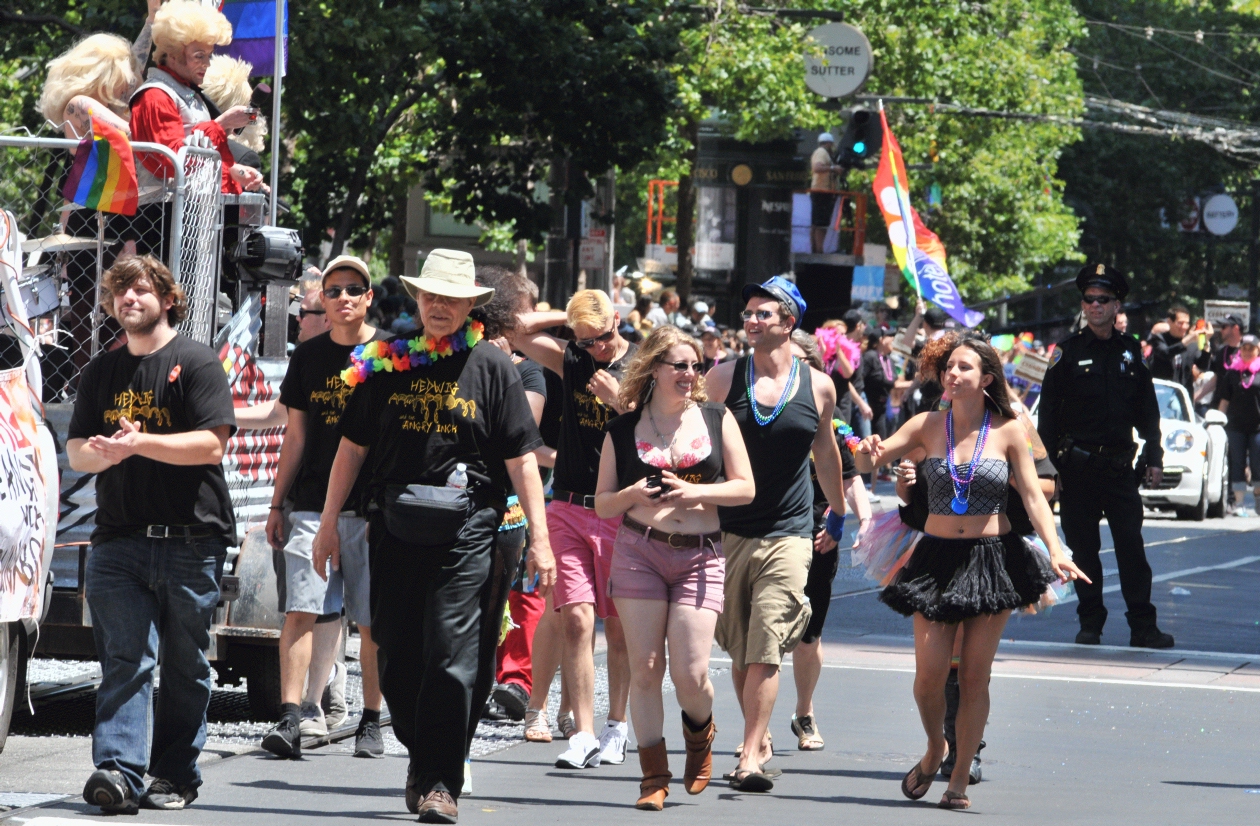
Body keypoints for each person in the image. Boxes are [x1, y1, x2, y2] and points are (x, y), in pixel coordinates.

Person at [312, 249, 555, 824]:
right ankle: (425, 763)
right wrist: (327, 523)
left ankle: (441, 782)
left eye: (452, 298)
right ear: (417, 300)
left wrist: (541, 540)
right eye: (430, 296)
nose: (440, 306)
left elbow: (522, 459)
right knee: (395, 653)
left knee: (452, 656)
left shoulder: (492, 366)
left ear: (470, 305)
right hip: (393, 525)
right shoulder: (385, 358)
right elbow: (352, 448)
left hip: (469, 527)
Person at [855, 334, 1087, 810]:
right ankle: (936, 747)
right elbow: (865, 460)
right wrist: (869, 447)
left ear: (986, 380)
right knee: (928, 677)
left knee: (975, 677)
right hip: (935, 558)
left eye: (964, 368)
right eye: (949, 368)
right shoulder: (925, 424)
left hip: (992, 557)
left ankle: (958, 778)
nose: (952, 374)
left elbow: (1032, 495)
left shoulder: (1008, 430)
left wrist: (1056, 548)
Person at [67, 255, 236, 812]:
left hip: (191, 539)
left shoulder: (196, 361)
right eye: (119, 292)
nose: (128, 300)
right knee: (126, 659)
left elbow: (212, 444)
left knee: (186, 665)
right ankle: (118, 772)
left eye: (140, 290)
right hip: (118, 540)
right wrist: (102, 452)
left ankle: (175, 773)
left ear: (167, 299)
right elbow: (76, 453)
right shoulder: (101, 371)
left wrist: (140, 444)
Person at [595, 326, 756, 809]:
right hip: (638, 551)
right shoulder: (623, 429)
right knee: (645, 668)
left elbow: (745, 488)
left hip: (700, 553)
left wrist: (697, 492)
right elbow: (603, 504)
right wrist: (629, 495)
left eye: (694, 366)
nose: (689, 375)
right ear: (653, 369)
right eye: (679, 366)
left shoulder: (714, 417)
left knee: (690, 673)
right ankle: (653, 777)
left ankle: (700, 730)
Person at [703, 276, 847, 793]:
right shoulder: (722, 379)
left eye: (762, 314)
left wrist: (837, 511)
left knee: (766, 642)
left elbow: (825, 452)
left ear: (789, 322)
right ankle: (756, 738)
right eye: (747, 314)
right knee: (741, 648)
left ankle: (748, 755)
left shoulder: (819, 385)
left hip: (790, 530)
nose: (751, 321)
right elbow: (695, 448)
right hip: (730, 531)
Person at [257, 255, 386, 760]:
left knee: (370, 620)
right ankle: (291, 716)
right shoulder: (308, 358)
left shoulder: (389, 353)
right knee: (301, 609)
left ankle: (371, 721)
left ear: (369, 297)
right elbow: (295, 436)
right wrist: (275, 504)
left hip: (370, 508)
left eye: (354, 289)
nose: (344, 298)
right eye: (334, 291)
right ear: (322, 302)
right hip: (310, 503)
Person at [512, 290, 636, 769]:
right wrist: (571, 318)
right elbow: (516, 326)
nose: (597, 349)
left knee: (621, 630)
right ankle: (582, 732)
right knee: (577, 620)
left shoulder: (644, 366)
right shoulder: (574, 357)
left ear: (618, 322)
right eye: (586, 341)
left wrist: (620, 402)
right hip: (567, 505)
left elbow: (665, 430)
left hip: (620, 510)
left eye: (603, 337)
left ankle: (616, 725)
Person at [1037, 264, 1174, 649]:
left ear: (1117, 306)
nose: (1094, 306)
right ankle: (1091, 624)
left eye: (1103, 300)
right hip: (1077, 468)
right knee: (1084, 552)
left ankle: (1143, 627)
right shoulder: (1066, 352)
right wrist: (1048, 469)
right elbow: (1047, 415)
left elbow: (1147, 409)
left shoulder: (1131, 350)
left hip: (1119, 468)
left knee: (1132, 549)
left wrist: (1154, 452)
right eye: (1088, 299)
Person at [788, 330, 869, 752]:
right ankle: (756, 727)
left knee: (808, 633)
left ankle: (804, 711)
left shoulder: (832, 421)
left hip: (819, 534)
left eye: (802, 360)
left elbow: (851, 477)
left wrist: (858, 518)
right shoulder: (754, 408)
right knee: (758, 633)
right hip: (767, 528)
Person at [130, 0, 263, 196]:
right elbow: (173, 160)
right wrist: (221, 123)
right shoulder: (155, 96)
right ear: (173, 54)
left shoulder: (185, 92)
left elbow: (198, 162)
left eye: (209, 56)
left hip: (188, 213)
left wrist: (235, 172)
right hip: (161, 215)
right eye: (199, 56)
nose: (207, 64)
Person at [1216, 334, 1260, 516]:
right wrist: (1217, 421)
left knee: (1258, 464)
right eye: (1245, 348)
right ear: (1240, 350)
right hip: (1235, 426)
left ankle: (1257, 498)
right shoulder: (1232, 373)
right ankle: (1239, 503)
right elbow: (1224, 400)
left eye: (1252, 348)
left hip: (1258, 427)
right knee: (1236, 463)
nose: (1248, 351)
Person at [1146, 305, 1204, 395]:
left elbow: (1203, 365)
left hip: (1182, 395)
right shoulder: (1159, 339)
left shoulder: (1191, 343)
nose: (1184, 327)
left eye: (1187, 323)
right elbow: (1165, 353)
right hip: (1161, 393)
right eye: (1180, 323)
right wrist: (1186, 341)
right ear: (1170, 322)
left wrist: (1206, 348)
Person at [861, 328, 898, 440]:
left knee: (883, 437)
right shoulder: (869, 357)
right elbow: (858, 381)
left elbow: (892, 382)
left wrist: (915, 383)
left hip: (883, 406)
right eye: (889, 336)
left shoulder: (888, 359)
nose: (892, 339)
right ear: (881, 340)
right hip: (868, 407)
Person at [810, 132, 841, 253]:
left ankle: (816, 248)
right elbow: (817, 168)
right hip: (821, 191)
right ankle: (819, 249)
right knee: (820, 223)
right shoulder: (821, 153)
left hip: (823, 191)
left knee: (818, 221)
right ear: (828, 143)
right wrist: (833, 168)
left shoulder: (824, 154)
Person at [1206, 314, 1245, 408]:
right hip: (1217, 403)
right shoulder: (1221, 350)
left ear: (1235, 328)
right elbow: (1217, 378)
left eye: (1224, 327)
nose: (1221, 330)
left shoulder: (1248, 351)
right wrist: (1195, 397)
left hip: (1238, 407)